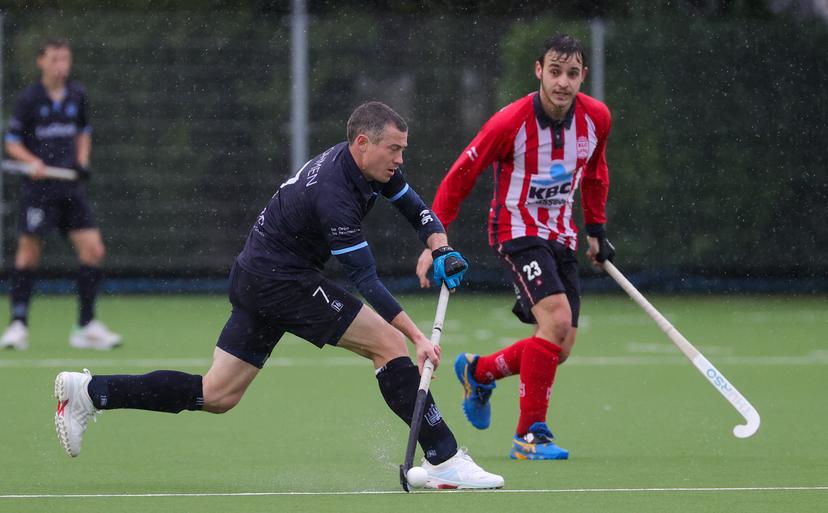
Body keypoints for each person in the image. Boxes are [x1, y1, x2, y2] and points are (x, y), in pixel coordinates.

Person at [53, 101, 504, 490]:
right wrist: (418, 337)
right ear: (363, 143)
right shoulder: (334, 193)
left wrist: (439, 246)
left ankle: (91, 392)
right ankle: (444, 457)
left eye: (403, 150)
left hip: (258, 275)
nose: (400, 159)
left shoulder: (369, 168)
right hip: (281, 280)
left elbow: (414, 207)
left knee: (217, 394)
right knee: (389, 343)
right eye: (394, 149)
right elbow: (366, 281)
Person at [416, 34, 616, 460]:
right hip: (517, 231)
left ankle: (479, 371)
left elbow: (596, 173)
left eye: (573, 73)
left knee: (558, 348)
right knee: (557, 321)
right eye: (555, 71)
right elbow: (460, 176)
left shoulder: (596, 119)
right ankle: (529, 437)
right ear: (539, 70)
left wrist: (595, 230)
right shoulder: (510, 123)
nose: (563, 82)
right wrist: (434, 239)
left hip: (562, 237)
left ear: (584, 76)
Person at [1, 38, 120, 350]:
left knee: (93, 250)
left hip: (71, 188)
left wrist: (82, 161)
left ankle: (86, 326)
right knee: (28, 253)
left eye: (65, 59)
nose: (61, 66)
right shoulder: (29, 100)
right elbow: (12, 143)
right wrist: (32, 162)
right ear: (41, 61)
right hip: (38, 190)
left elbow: (84, 133)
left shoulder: (78, 95)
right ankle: (18, 325)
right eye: (55, 59)